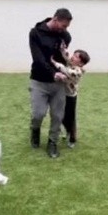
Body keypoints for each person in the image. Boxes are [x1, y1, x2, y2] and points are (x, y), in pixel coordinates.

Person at [28, 8, 72, 158]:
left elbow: (63, 58)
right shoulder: (35, 33)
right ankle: (35, 130)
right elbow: (38, 59)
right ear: (55, 19)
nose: (65, 30)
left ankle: (52, 142)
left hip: (59, 84)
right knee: (38, 114)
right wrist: (53, 73)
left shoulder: (65, 36)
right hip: (39, 80)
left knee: (57, 115)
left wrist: (69, 64)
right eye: (63, 26)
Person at [51, 46, 90, 148]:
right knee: (61, 115)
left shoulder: (77, 71)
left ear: (81, 63)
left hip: (70, 97)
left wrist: (54, 62)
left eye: (76, 57)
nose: (73, 57)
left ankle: (72, 138)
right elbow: (67, 58)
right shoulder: (72, 64)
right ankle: (67, 130)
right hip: (62, 94)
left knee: (70, 118)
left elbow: (66, 71)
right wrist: (63, 50)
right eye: (74, 54)